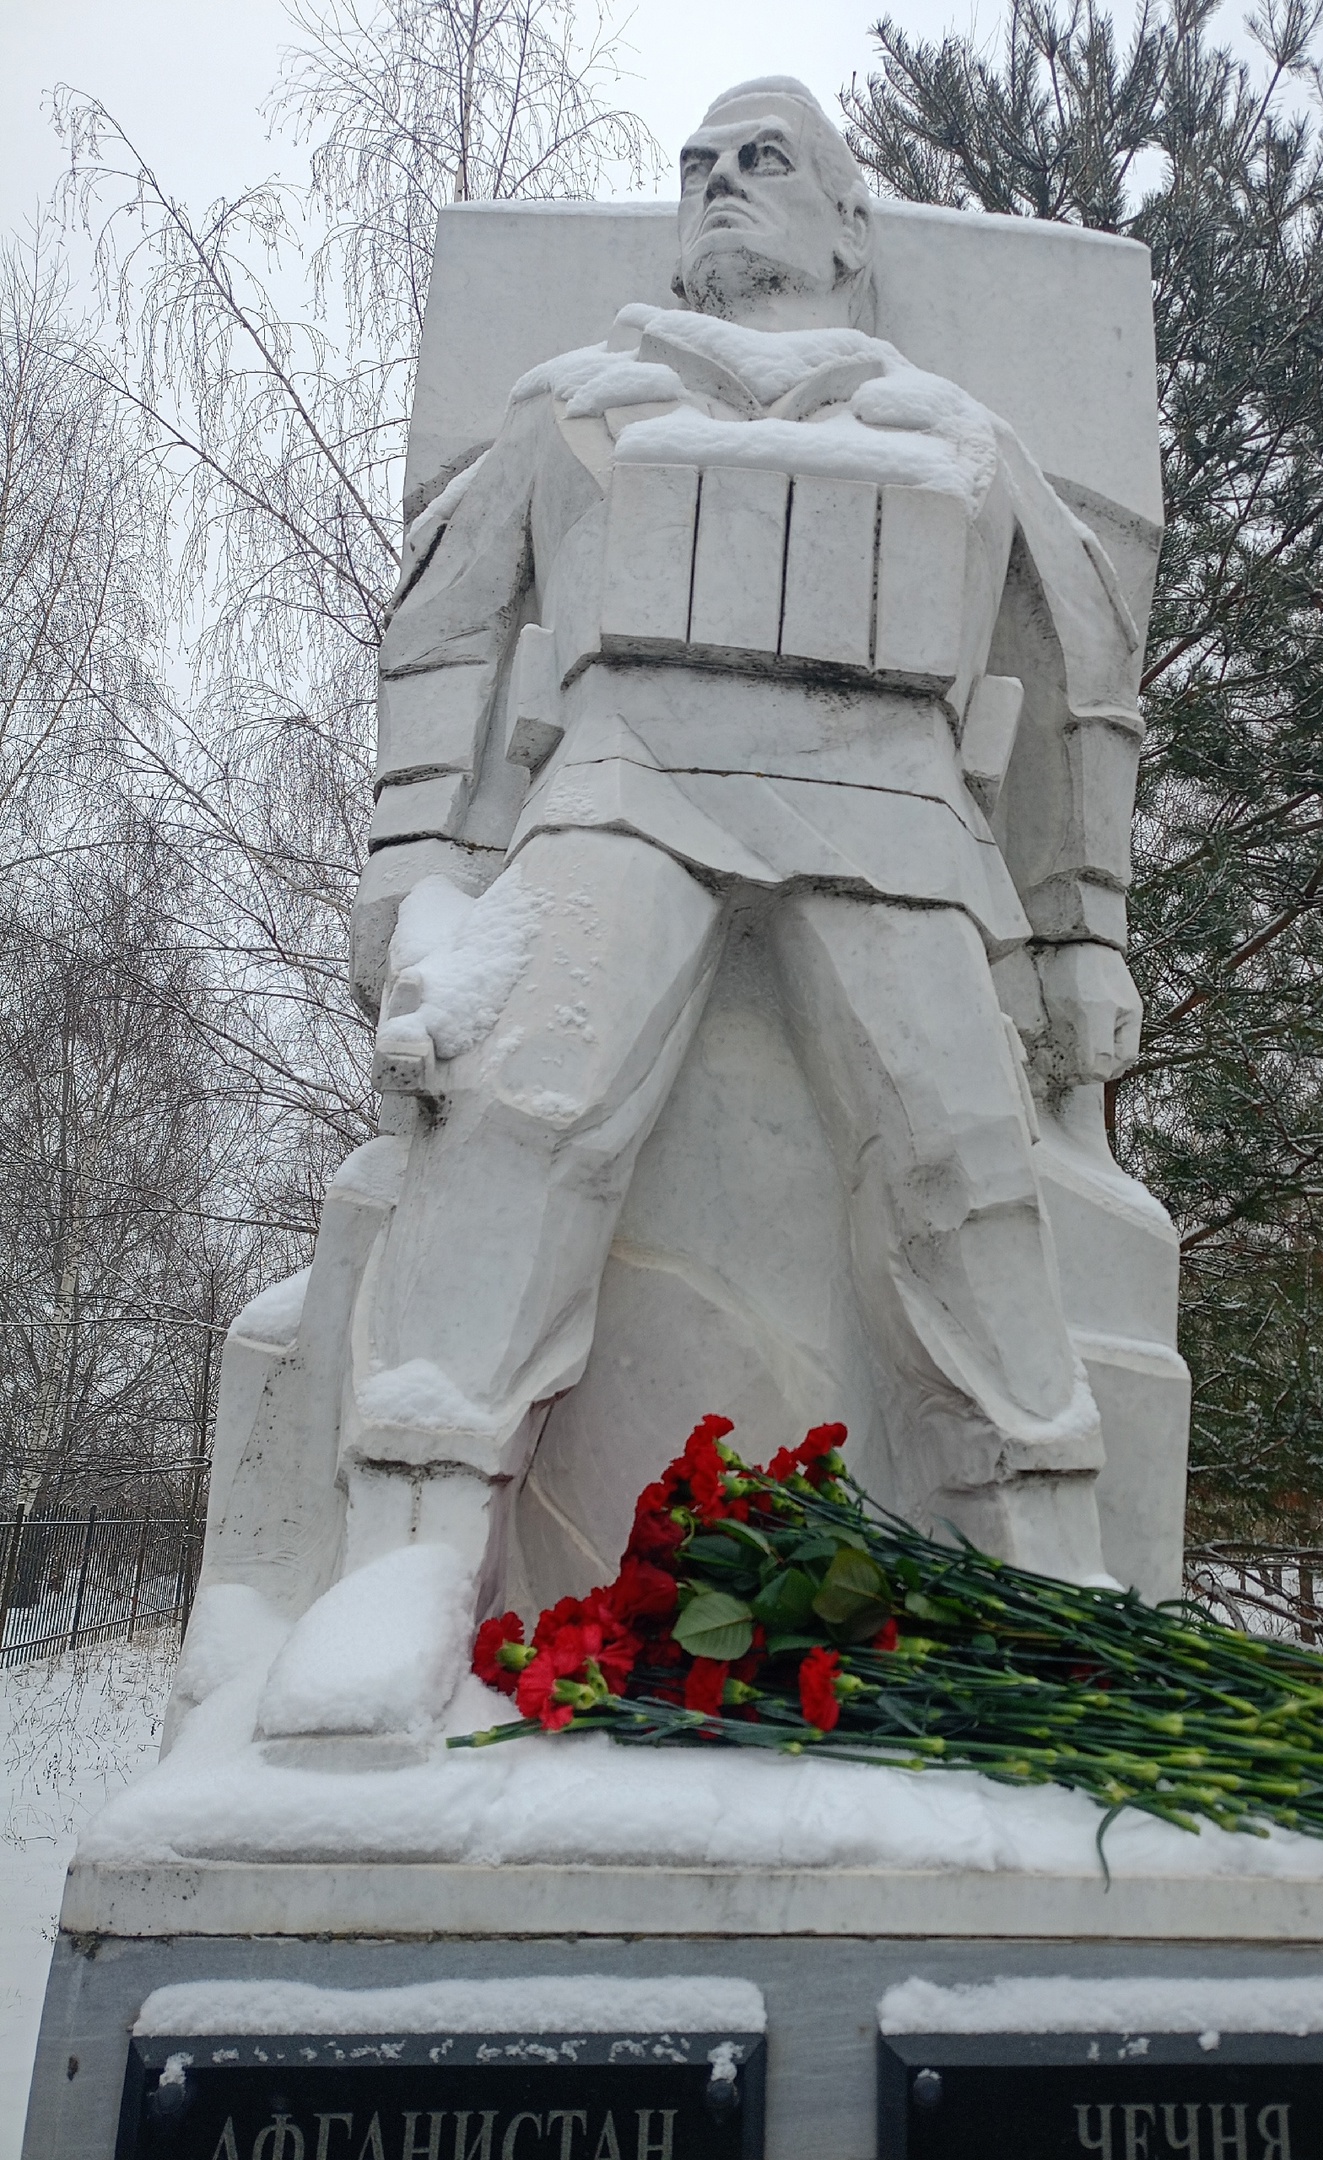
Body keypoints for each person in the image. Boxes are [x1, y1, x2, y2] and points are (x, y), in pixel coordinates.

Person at [340, 77, 1144, 1596]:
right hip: (622, 784)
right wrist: (407, 855)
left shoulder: (959, 433)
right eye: (696, 163)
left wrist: (1085, 931)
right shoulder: (578, 398)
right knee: (521, 1120)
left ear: (851, 221)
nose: (718, 182)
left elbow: (1083, 685)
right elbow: (439, 635)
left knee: (966, 1174)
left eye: (762, 159)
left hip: (896, 817)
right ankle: (407, 1563)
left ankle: (1044, 1570)